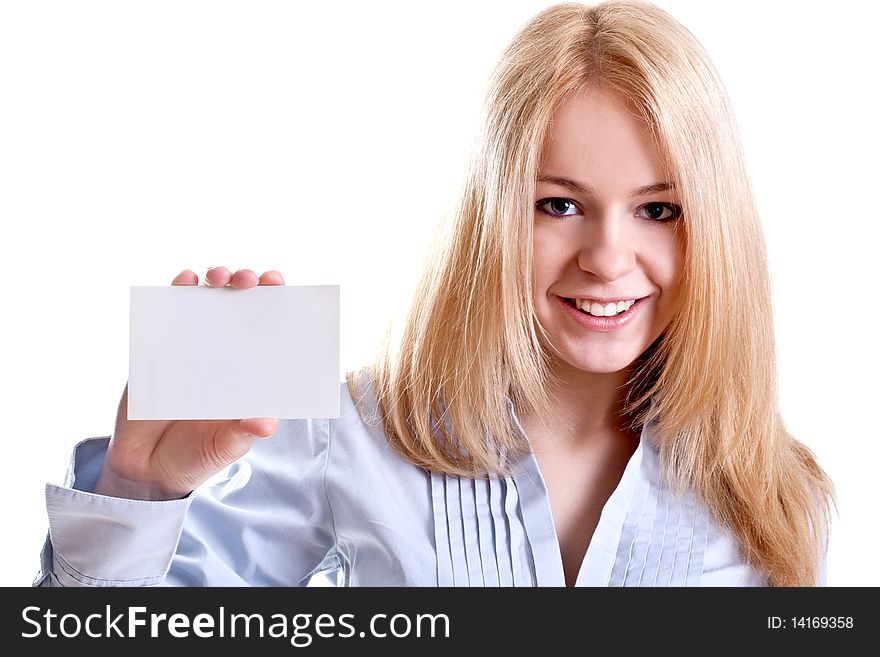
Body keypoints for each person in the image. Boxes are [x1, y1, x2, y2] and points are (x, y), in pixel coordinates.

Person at [34, 0, 835, 588]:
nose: (606, 257)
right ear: (489, 216)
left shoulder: (774, 492)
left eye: (658, 209)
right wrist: (139, 488)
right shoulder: (346, 437)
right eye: (558, 204)